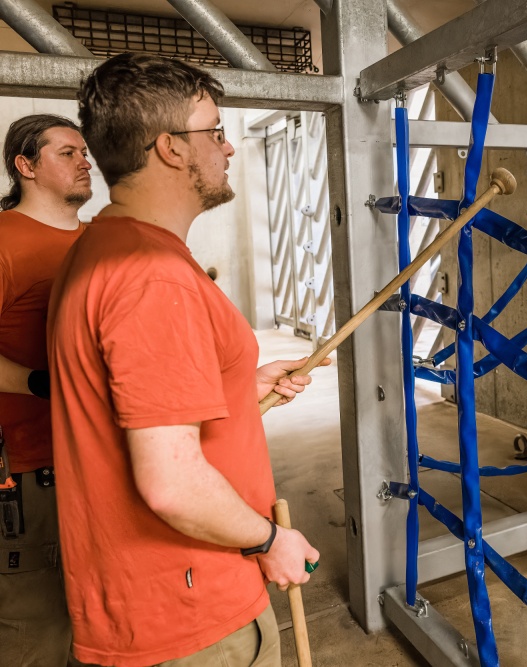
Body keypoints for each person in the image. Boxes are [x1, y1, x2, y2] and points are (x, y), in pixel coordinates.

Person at [48, 53, 323, 667]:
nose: (227, 149)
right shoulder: (154, 278)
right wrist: (271, 539)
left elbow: (132, 412)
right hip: (190, 611)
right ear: (171, 148)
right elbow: (172, 486)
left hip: (140, 599)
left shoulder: (104, 247)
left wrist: (236, 386)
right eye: (216, 132)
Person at [0, 113, 92, 667]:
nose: (86, 161)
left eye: (85, 152)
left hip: (95, 457)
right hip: (31, 463)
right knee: (35, 623)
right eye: (67, 153)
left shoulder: (99, 238)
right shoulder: (4, 240)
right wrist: (38, 383)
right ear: (25, 166)